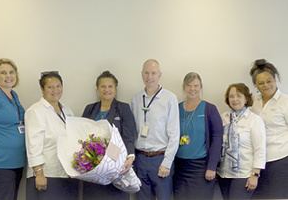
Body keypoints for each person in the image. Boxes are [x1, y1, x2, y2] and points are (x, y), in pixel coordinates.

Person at [82, 70, 136, 200]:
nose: (107, 90)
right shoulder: (89, 109)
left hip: (116, 167)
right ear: (98, 89)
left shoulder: (123, 108)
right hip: (92, 169)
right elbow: (82, 136)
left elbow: (129, 136)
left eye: (110, 86)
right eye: (103, 86)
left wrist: (130, 157)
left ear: (115, 89)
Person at [25, 71, 78, 200]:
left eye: (58, 86)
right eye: (50, 87)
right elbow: (33, 144)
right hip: (46, 175)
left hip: (67, 174)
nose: (55, 90)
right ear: (42, 89)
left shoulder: (67, 110)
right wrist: (39, 173)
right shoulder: (36, 111)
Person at [131, 59, 180, 200]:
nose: (149, 77)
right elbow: (133, 132)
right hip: (140, 159)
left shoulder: (170, 98)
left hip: (160, 159)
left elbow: (174, 134)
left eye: (153, 73)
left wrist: (167, 163)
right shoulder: (136, 98)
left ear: (160, 75)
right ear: (142, 75)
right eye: (146, 73)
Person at [173, 72, 223, 200]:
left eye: (196, 85)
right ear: (184, 87)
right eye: (189, 85)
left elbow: (217, 139)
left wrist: (212, 167)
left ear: (201, 87)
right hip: (179, 168)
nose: (192, 89)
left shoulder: (210, 109)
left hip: (201, 168)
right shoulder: (176, 108)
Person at [217, 83, 266, 200]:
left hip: (243, 175)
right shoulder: (223, 118)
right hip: (223, 174)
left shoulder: (254, 120)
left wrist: (255, 175)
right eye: (231, 96)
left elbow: (260, 149)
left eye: (238, 96)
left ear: (246, 99)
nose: (235, 99)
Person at [249, 59, 288, 199]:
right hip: (257, 163)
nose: (266, 85)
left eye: (269, 81)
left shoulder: (285, 102)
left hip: (280, 160)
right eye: (261, 83)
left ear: (275, 80)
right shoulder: (254, 102)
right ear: (256, 86)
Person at [0, 58, 26, 200]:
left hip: (15, 163)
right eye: (3, 73)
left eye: (11, 72)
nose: (8, 76)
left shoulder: (13, 95)